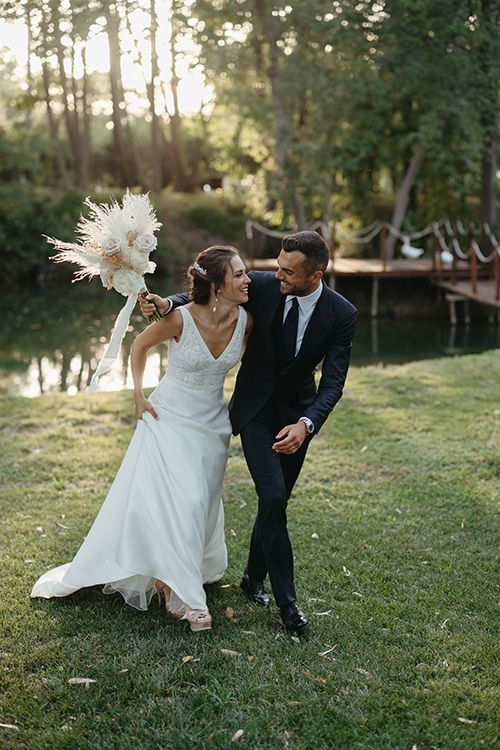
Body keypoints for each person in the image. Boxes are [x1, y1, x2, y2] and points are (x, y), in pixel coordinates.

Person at [139, 231, 357, 634]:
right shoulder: (263, 284)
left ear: (315, 275)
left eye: (288, 271)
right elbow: (209, 290)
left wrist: (306, 424)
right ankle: (288, 605)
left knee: (277, 501)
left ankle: (253, 576)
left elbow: (333, 383)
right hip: (255, 411)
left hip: (296, 416)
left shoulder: (341, 315)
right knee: (271, 493)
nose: (277, 275)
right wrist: (168, 303)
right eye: (277, 265)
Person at [31, 246, 252, 633]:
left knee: (202, 501)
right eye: (239, 274)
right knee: (186, 500)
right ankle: (188, 596)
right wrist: (137, 393)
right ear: (217, 286)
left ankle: (169, 579)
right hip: (169, 418)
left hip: (213, 425)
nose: (247, 280)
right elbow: (139, 346)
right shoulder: (179, 319)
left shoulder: (246, 321)